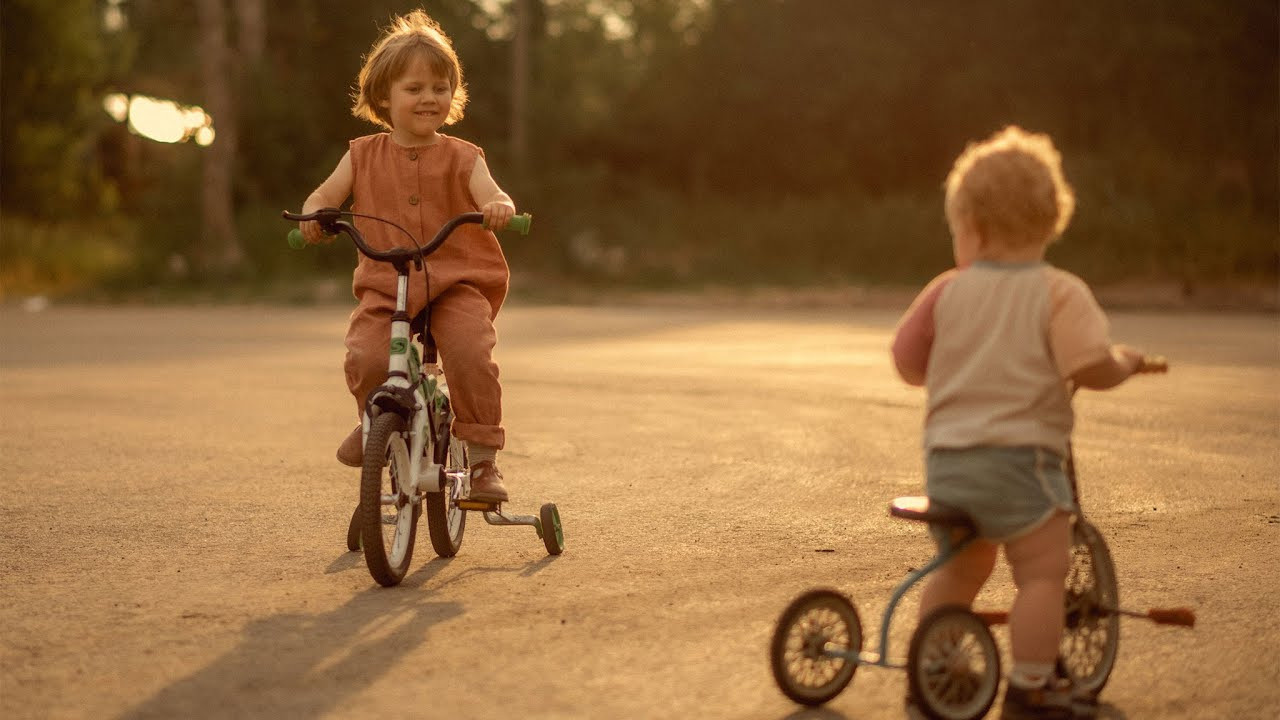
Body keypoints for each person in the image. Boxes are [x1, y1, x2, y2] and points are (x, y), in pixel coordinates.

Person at [891, 126, 1146, 719]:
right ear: (1049, 221)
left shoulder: (945, 292)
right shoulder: (1061, 293)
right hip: (1020, 464)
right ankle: (1032, 686)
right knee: (1041, 574)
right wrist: (1126, 365)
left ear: (974, 229)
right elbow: (1090, 366)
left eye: (956, 231)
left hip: (948, 465)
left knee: (959, 571)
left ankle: (934, 673)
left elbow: (907, 362)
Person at [297, 9, 517, 503]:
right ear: (383, 97)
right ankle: (374, 420)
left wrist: (499, 207)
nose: (429, 98)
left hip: (456, 281)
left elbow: (492, 193)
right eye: (414, 88)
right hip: (387, 282)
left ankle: (482, 461)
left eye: (440, 87)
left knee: (468, 349)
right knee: (367, 354)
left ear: (453, 96)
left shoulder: (464, 156)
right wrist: (315, 216)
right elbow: (323, 195)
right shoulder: (361, 154)